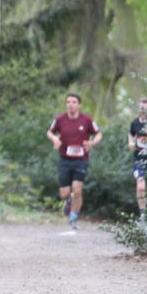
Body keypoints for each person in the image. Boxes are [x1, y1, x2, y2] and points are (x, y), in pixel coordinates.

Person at [47, 93, 102, 230]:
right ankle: (68, 201)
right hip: (65, 160)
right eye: (68, 102)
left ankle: (73, 218)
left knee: (77, 189)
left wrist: (92, 143)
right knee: (64, 193)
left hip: (81, 160)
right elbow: (49, 132)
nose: (70, 105)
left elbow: (99, 134)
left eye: (74, 102)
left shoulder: (87, 120)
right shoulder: (59, 119)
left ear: (79, 105)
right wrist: (55, 139)